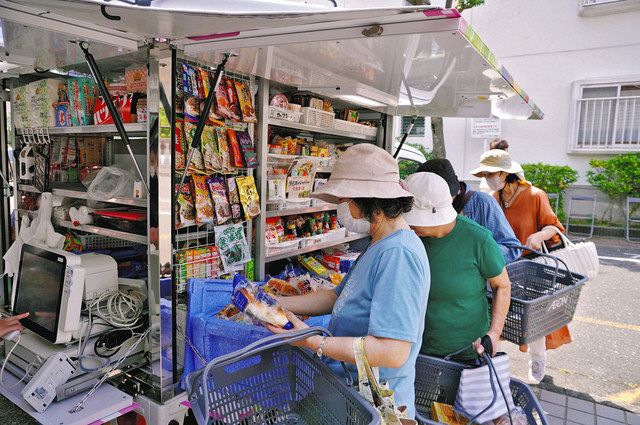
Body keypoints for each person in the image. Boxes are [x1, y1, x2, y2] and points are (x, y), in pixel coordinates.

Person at [269, 144, 430, 419]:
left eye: (345, 200)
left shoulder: (398, 254)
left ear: (367, 200)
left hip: (375, 408)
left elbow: (392, 351)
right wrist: (279, 303)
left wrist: (311, 341)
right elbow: (336, 297)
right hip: (349, 397)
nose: (342, 208)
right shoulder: (380, 243)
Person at [471, 149, 569, 382]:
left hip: (530, 266)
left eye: (490, 173)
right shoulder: (493, 199)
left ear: (505, 173)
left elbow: (554, 227)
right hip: (502, 267)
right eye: (484, 173)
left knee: (533, 318)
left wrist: (539, 235)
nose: (486, 178)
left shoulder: (534, 195)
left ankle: (538, 358)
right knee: (497, 316)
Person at [402, 172, 511, 362]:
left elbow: (502, 285)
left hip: (468, 350)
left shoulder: (478, 239)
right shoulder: (410, 238)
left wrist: (494, 333)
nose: (410, 224)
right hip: (416, 348)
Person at [417, 159, 521, 263]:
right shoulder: (420, 208)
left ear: (454, 190)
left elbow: (512, 249)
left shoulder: (483, 203)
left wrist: (473, 253)